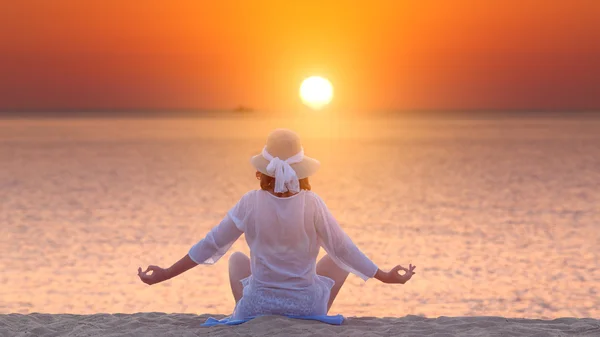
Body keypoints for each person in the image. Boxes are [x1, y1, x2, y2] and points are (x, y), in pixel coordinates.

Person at [138, 128, 416, 319]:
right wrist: (386, 276)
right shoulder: (312, 203)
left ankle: (245, 310)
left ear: (262, 169)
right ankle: (312, 312)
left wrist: (166, 273)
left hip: (257, 308)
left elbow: (210, 244)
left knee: (235, 258)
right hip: (306, 308)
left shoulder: (249, 202)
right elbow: (345, 249)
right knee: (337, 259)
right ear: (302, 168)